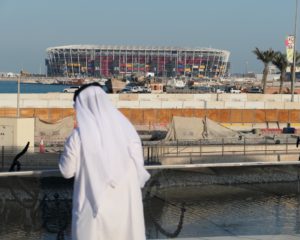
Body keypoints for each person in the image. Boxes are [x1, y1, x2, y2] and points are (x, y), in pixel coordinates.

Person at [59, 82, 150, 240]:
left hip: (93, 210)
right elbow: (138, 168)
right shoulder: (129, 132)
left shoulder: (78, 137)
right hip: (125, 207)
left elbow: (66, 171)